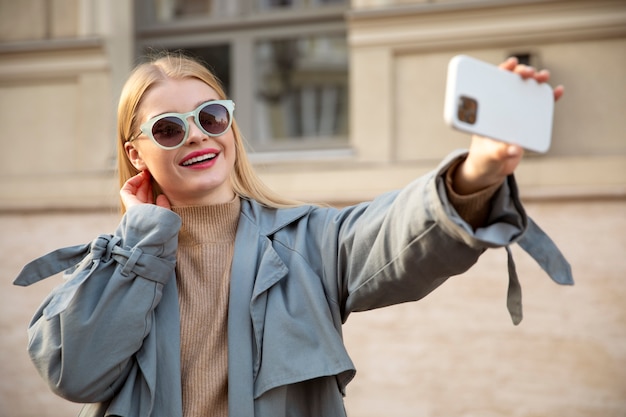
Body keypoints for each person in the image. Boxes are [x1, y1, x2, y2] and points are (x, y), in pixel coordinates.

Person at [14, 52, 572, 417]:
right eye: (168, 127)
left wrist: (479, 170)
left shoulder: (309, 241)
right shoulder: (115, 263)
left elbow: (395, 232)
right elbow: (72, 371)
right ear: (136, 151)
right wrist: (141, 243)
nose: (196, 137)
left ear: (229, 124)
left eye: (211, 116)